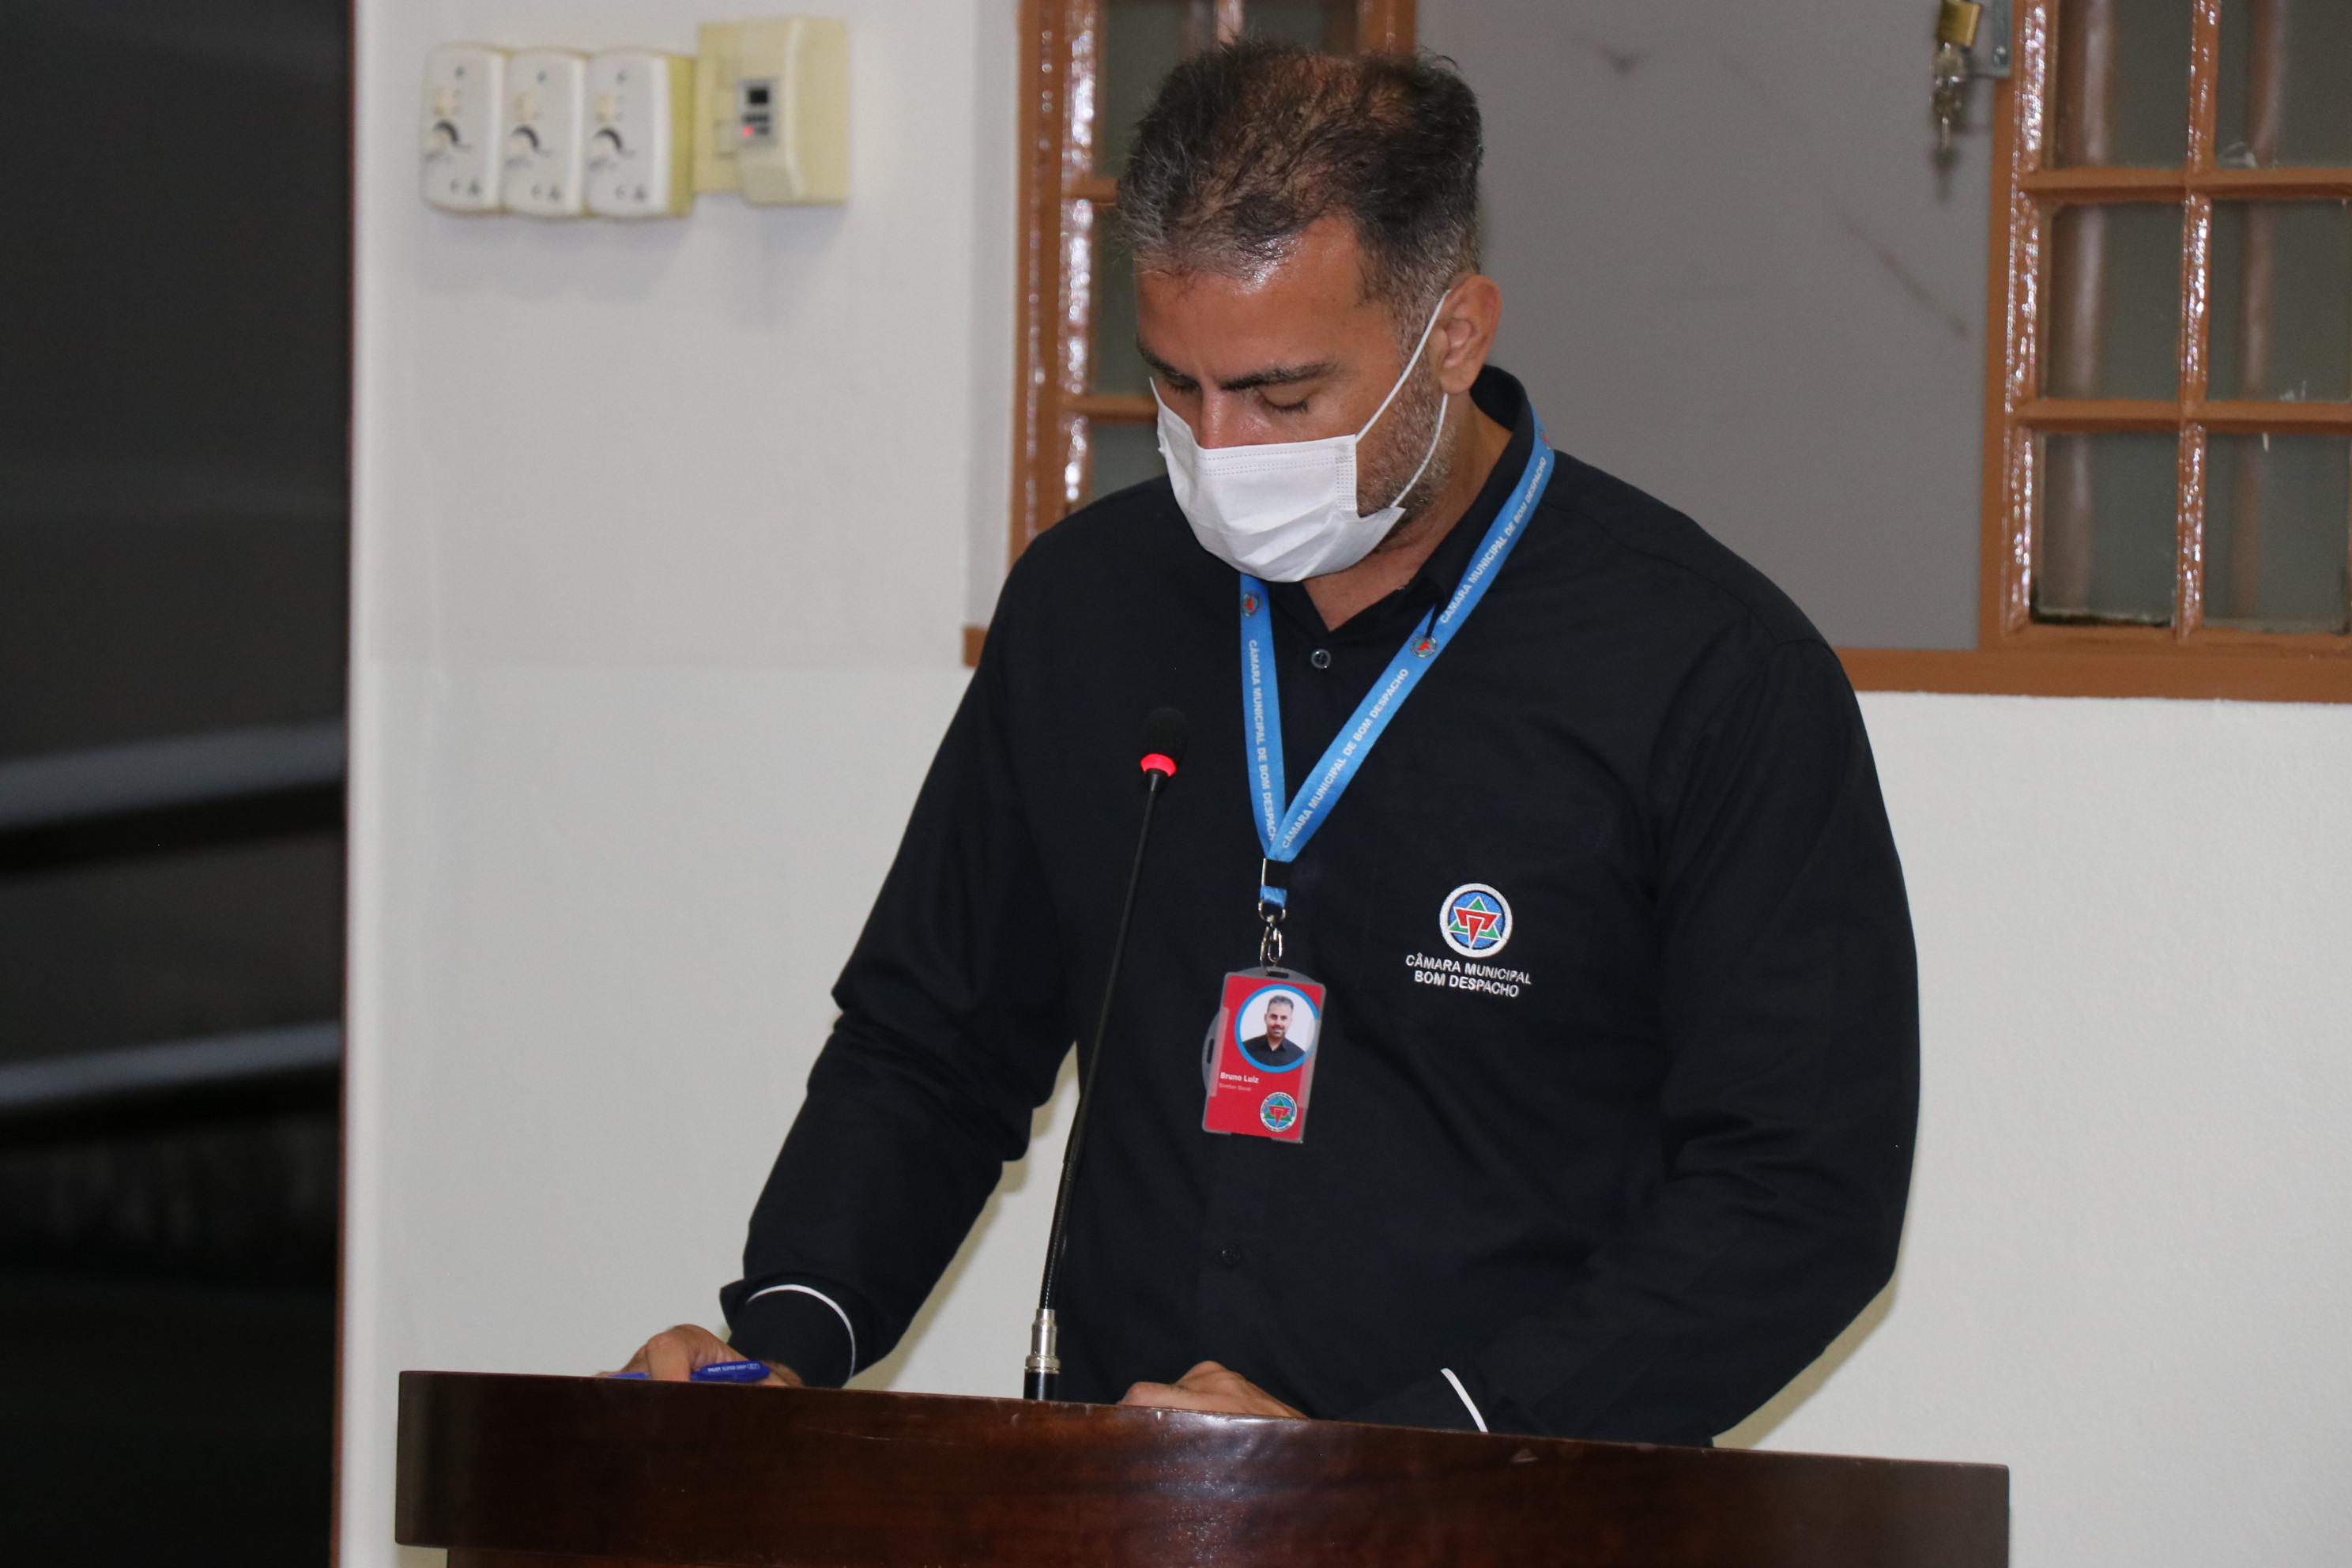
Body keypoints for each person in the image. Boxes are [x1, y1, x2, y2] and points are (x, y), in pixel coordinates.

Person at [620, 41, 1918, 1444]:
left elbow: (1797, 1198)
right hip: (1116, 1499)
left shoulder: (1707, 669)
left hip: (1505, 1508)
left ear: (1455, 336)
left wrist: (1408, 1454)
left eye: (1284, 399)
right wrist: (786, 1343)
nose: (1222, 450)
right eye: (1178, 388)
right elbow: (933, 1044)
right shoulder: (1089, 608)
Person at [1239, 994, 1306, 1070]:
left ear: (1290, 1021)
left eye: (1284, 1018)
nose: (1278, 1023)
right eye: (1274, 1017)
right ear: (1265, 1018)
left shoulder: (1300, 1058)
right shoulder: (1245, 1049)